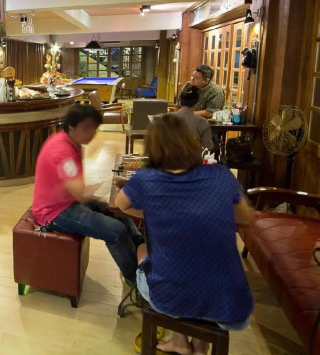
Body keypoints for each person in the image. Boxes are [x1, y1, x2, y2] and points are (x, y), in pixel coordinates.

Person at [115, 114, 254, 355]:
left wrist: (158, 210)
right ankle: (200, 345)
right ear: (190, 142)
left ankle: (180, 342)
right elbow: (246, 218)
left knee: (143, 250)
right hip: (231, 304)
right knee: (204, 265)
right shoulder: (221, 175)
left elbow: (121, 204)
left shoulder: (147, 179)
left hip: (170, 298)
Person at [32, 104, 144, 286]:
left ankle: (142, 252)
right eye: (87, 127)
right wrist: (110, 181)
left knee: (119, 212)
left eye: (94, 128)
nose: (92, 133)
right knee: (116, 231)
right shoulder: (61, 151)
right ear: (71, 126)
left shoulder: (71, 142)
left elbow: (78, 191)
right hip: (54, 212)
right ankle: (137, 280)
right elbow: (80, 193)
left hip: (68, 202)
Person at [174, 86, 213, 151]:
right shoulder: (202, 122)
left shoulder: (167, 118)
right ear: (195, 105)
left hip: (170, 156)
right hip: (194, 156)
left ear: (180, 103)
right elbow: (207, 146)